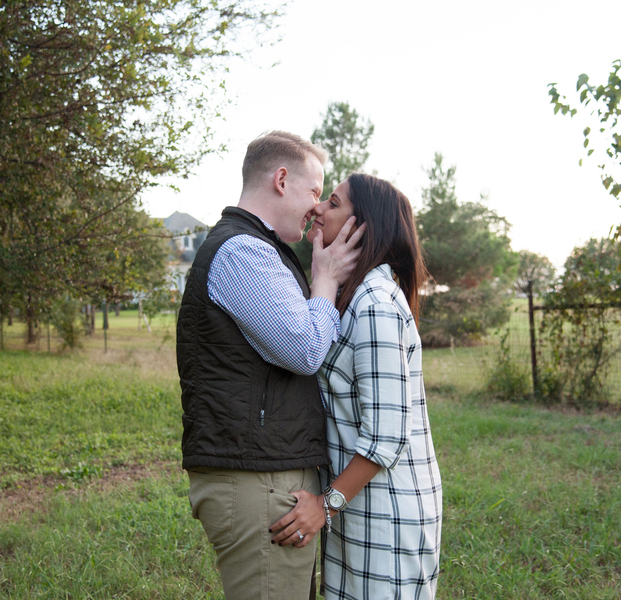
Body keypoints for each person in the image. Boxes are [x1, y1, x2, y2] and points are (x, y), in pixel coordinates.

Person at [176, 130, 365, 600]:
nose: (317, 208)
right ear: (281, 179)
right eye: (314, 192)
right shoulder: (245, 251)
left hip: (264, 474)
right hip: (257, 480)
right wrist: (324, 279)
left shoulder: (258, 249)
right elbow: (304, 350)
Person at [269, 173, 443, 599]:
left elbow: (386, 436)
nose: (318, 209)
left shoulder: (375, 304)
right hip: (359, 506)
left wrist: (323, 506)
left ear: (360, 226)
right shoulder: (356, 296)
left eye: (332, 202)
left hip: (385, 513)